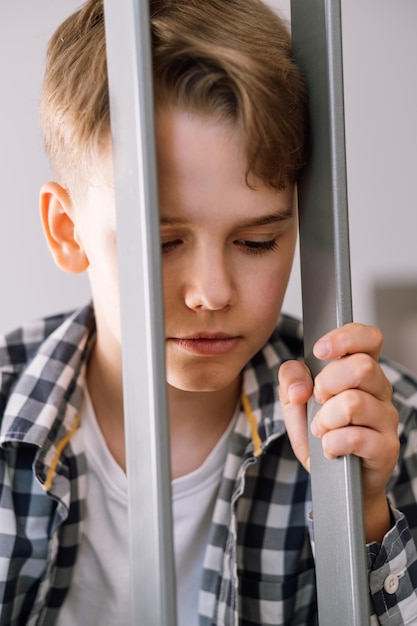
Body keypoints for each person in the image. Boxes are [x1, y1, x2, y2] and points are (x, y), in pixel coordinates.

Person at [0, 0, 416, 624]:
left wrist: (366, 520)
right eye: (162, 242)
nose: (212, 292)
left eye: (257, 242)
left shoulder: (383, 426)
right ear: (67, 231)